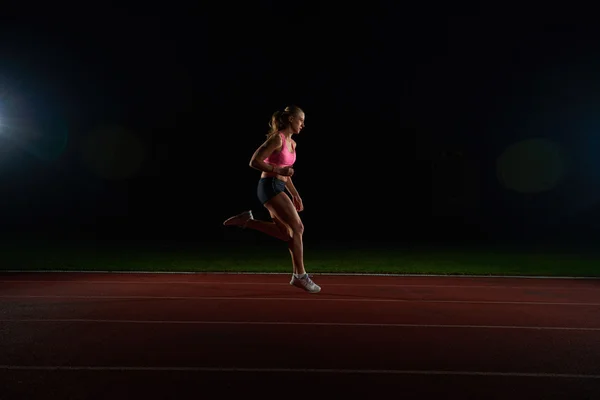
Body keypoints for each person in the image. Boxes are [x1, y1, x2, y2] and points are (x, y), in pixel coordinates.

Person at [223, 105, 321, 294]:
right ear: (291, 119)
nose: (303, 124)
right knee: (298, 227)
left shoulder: (293, 144)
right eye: (301, 120)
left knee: (286, 234)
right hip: (268, 187)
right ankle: (300, 276)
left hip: (280, 187)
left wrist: (295, 194)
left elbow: (287, 173)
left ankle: (248, 221)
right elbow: (254, 161)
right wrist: (278, 171)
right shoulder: (277, 139)